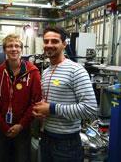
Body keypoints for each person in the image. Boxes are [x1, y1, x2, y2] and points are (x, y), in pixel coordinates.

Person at [32, 26, 98, 162]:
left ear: (64, 44)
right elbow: (48, 104)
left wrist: (51, 108)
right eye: (46, 41)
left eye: (55, 41)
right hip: (46, 138)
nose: (49, 45)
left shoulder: (76, 70)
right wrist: (41, 113)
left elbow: (90, 109)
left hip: (66, 144)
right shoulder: (46, 72)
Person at [0, 34, 42, 162]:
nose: (14, 49)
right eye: (10, 46)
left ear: (21, 49)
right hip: (2, 129)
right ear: (4, 49)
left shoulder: (33, 72)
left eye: (17, 46)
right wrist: (3, 125)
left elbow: (35, 101)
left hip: (23, 129)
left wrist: (21, 125)